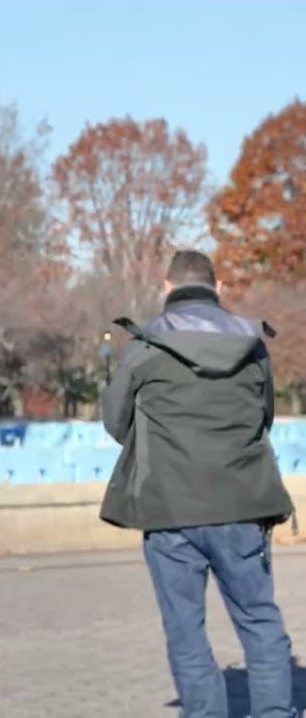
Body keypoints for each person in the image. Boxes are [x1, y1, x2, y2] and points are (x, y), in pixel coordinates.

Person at [99, 249, 296, 718]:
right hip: (244, 504)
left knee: (186, 631)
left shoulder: (146, 344)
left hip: (170, 508)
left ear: (167, 288)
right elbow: (264, 417)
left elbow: (115, 421)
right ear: (218, 288)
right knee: (260, 622)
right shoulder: (252, 344)